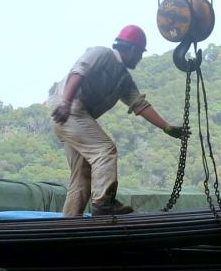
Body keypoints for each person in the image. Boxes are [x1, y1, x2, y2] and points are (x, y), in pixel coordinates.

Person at [47, 25, 188, 217]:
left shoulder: (123, 79)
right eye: (139, 53)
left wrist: (166, 127)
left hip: (76, 115)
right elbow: (78, 72)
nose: (140, 58)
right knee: (105, 150)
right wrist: (65, 102)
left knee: (81, 177)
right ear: (131, 49)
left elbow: (140, 105)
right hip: (69, 107)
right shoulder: (101, 54)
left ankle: (69, 226)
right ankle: (104, 203)